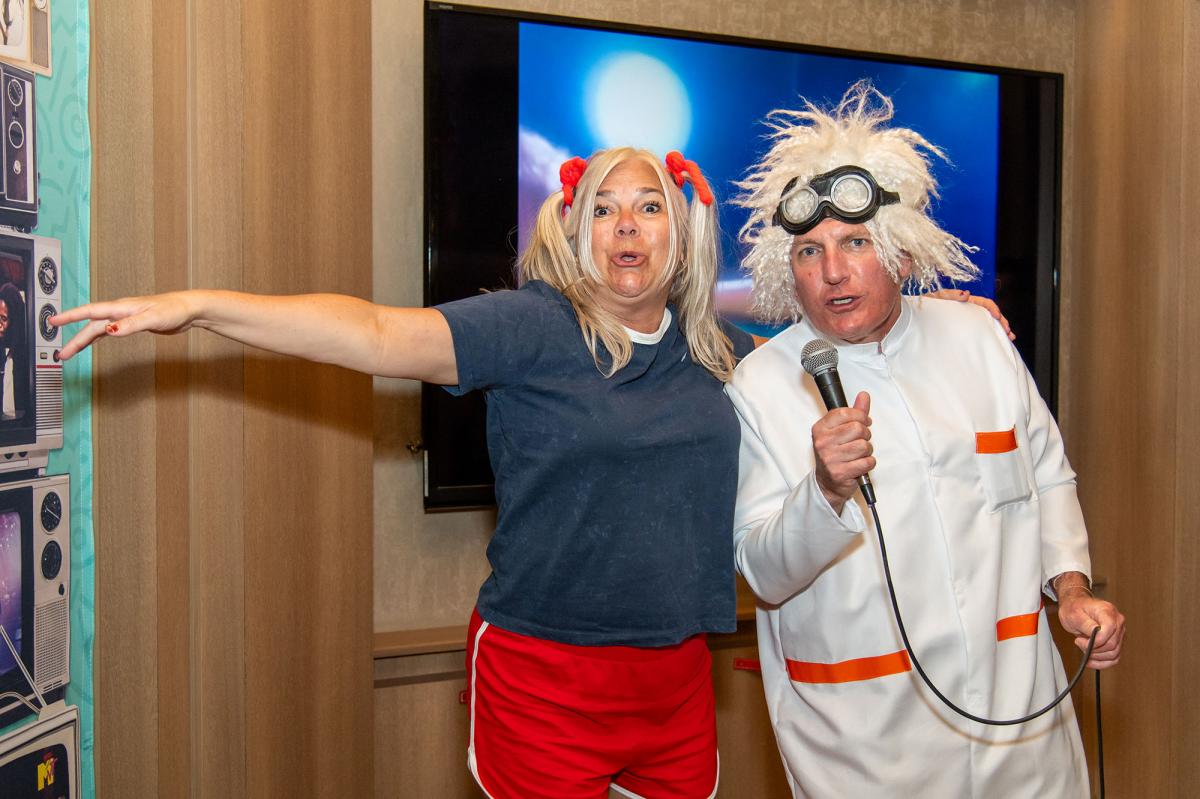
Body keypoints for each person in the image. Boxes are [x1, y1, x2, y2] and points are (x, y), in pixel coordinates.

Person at [53, 142, 1007, 798]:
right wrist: (199, 306)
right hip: (543, 677)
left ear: (681, 233)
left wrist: (928, 315)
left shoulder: (721, 354)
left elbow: (842, 329)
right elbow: (373, 332)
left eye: (650, 207)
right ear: (576, 228)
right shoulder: (530, 326)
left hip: (676, 682)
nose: (626, 226)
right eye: (605, 209)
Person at [726, 82, 1126, 798]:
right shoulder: (760, 384)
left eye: (855, 243)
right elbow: (762, 572)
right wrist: (825, 490)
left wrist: (1071, 590)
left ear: (903, 255)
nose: (833, 272)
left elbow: (1046, 476)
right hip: (866, 750)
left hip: (1020, 730)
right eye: (810, 252)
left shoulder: (979, 339)